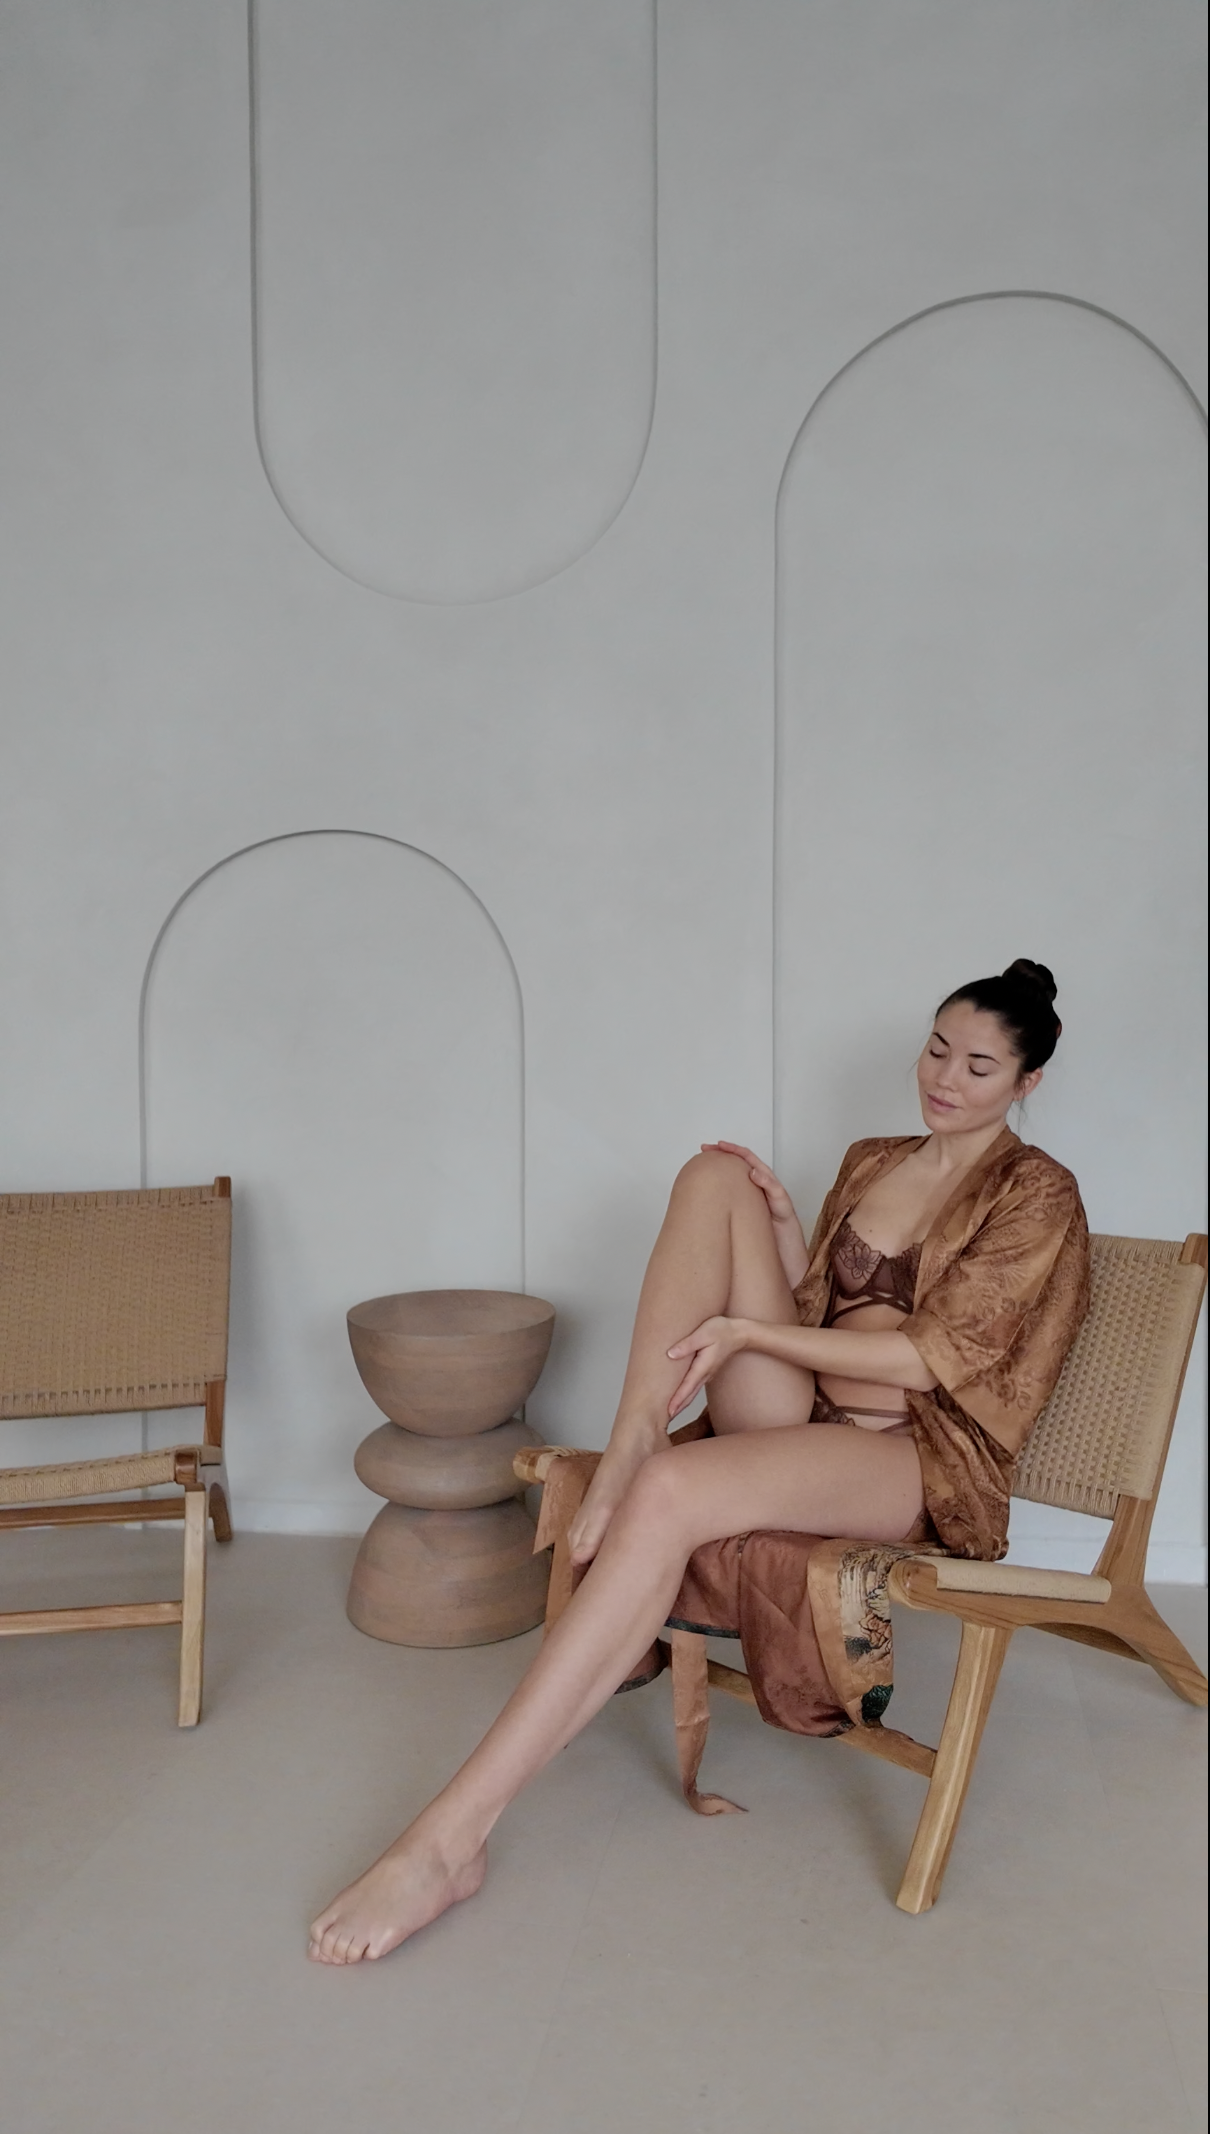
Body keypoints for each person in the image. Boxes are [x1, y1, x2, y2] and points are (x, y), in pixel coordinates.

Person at [308, 959, 1089, 1963]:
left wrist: (743, 1333)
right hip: (802, 1414)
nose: (945, 1078)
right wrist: (782, 1235)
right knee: (714, 1175)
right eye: (937, 1049)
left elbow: (923, 1359)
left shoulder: (1036, 1191)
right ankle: (636, 1427)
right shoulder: (874, 1157)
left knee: (674, 1490)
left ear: (1026, 1082)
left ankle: (448, 1839)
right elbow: (824, 1310)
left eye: (978, 1067)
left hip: (907, 1454)